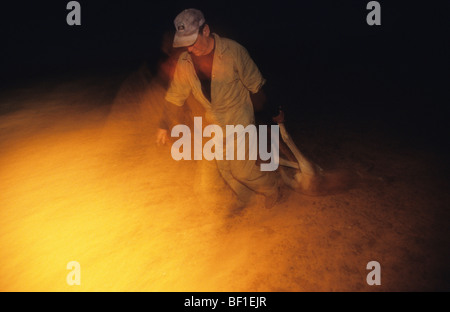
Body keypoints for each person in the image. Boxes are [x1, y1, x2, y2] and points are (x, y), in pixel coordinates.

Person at [156, 8, 283, 209]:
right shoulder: (185, 62)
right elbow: (175, 95)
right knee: (225, 169)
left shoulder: (234, 51)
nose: (189, 49)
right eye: (184, 44)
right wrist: (164, 124)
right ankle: (247, 199)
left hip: (239, 118)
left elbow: (256, 85)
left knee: (241, 169)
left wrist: (274, 111)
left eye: (192, 41)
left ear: (205, 30)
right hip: (215, 122)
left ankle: (271, 187)